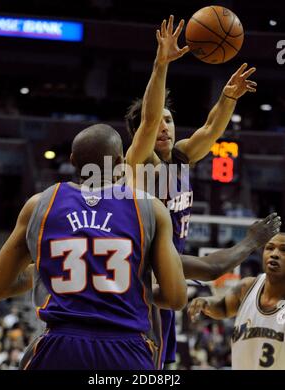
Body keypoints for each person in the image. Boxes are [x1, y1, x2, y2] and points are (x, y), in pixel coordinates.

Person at [0, 124, 187, 370]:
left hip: (59, 348)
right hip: (126, 349)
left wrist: (49, 271)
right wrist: (126, 287)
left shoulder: (39, 204)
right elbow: (176, 298)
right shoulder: (150, 207)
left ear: (72, 160)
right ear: (119, 161)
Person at [125, 15, 257, 367]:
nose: (164, 126)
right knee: (143, 364)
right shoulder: (137, 162)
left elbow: (212, 128)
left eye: (170, 119)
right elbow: (149, 119)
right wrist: (161, 63)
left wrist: (228, 96)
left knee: (164, 363)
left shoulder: (183, 155)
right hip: (144, 272)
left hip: (172, 268)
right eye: (158, 121)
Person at [188, 232, 285, 370]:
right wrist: (206, 302)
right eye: (269, 248)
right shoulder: (248, 287)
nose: (274, 254)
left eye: (283, 250)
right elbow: (223, 307)